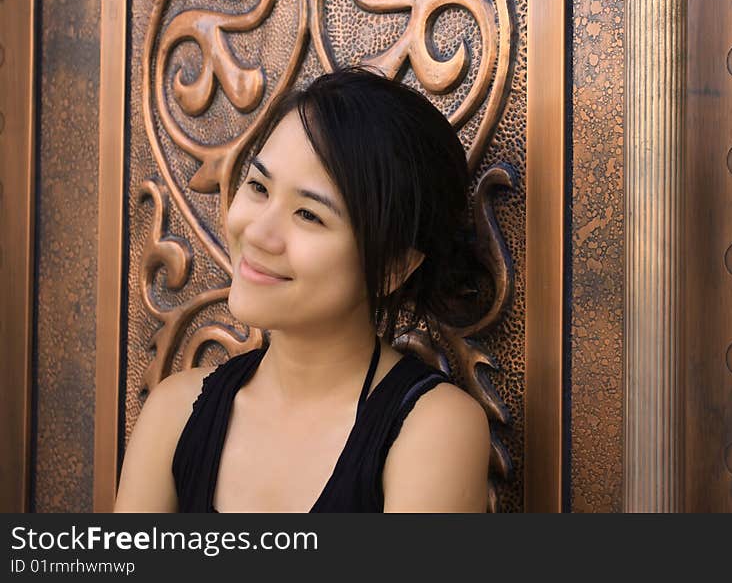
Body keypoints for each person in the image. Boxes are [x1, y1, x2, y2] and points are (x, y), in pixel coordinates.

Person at [114, 67, 491, 512]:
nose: (258, 233)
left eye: (309, 215)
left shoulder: (433, 427)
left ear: (393, 266)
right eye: (258, 187)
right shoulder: (174, 413)